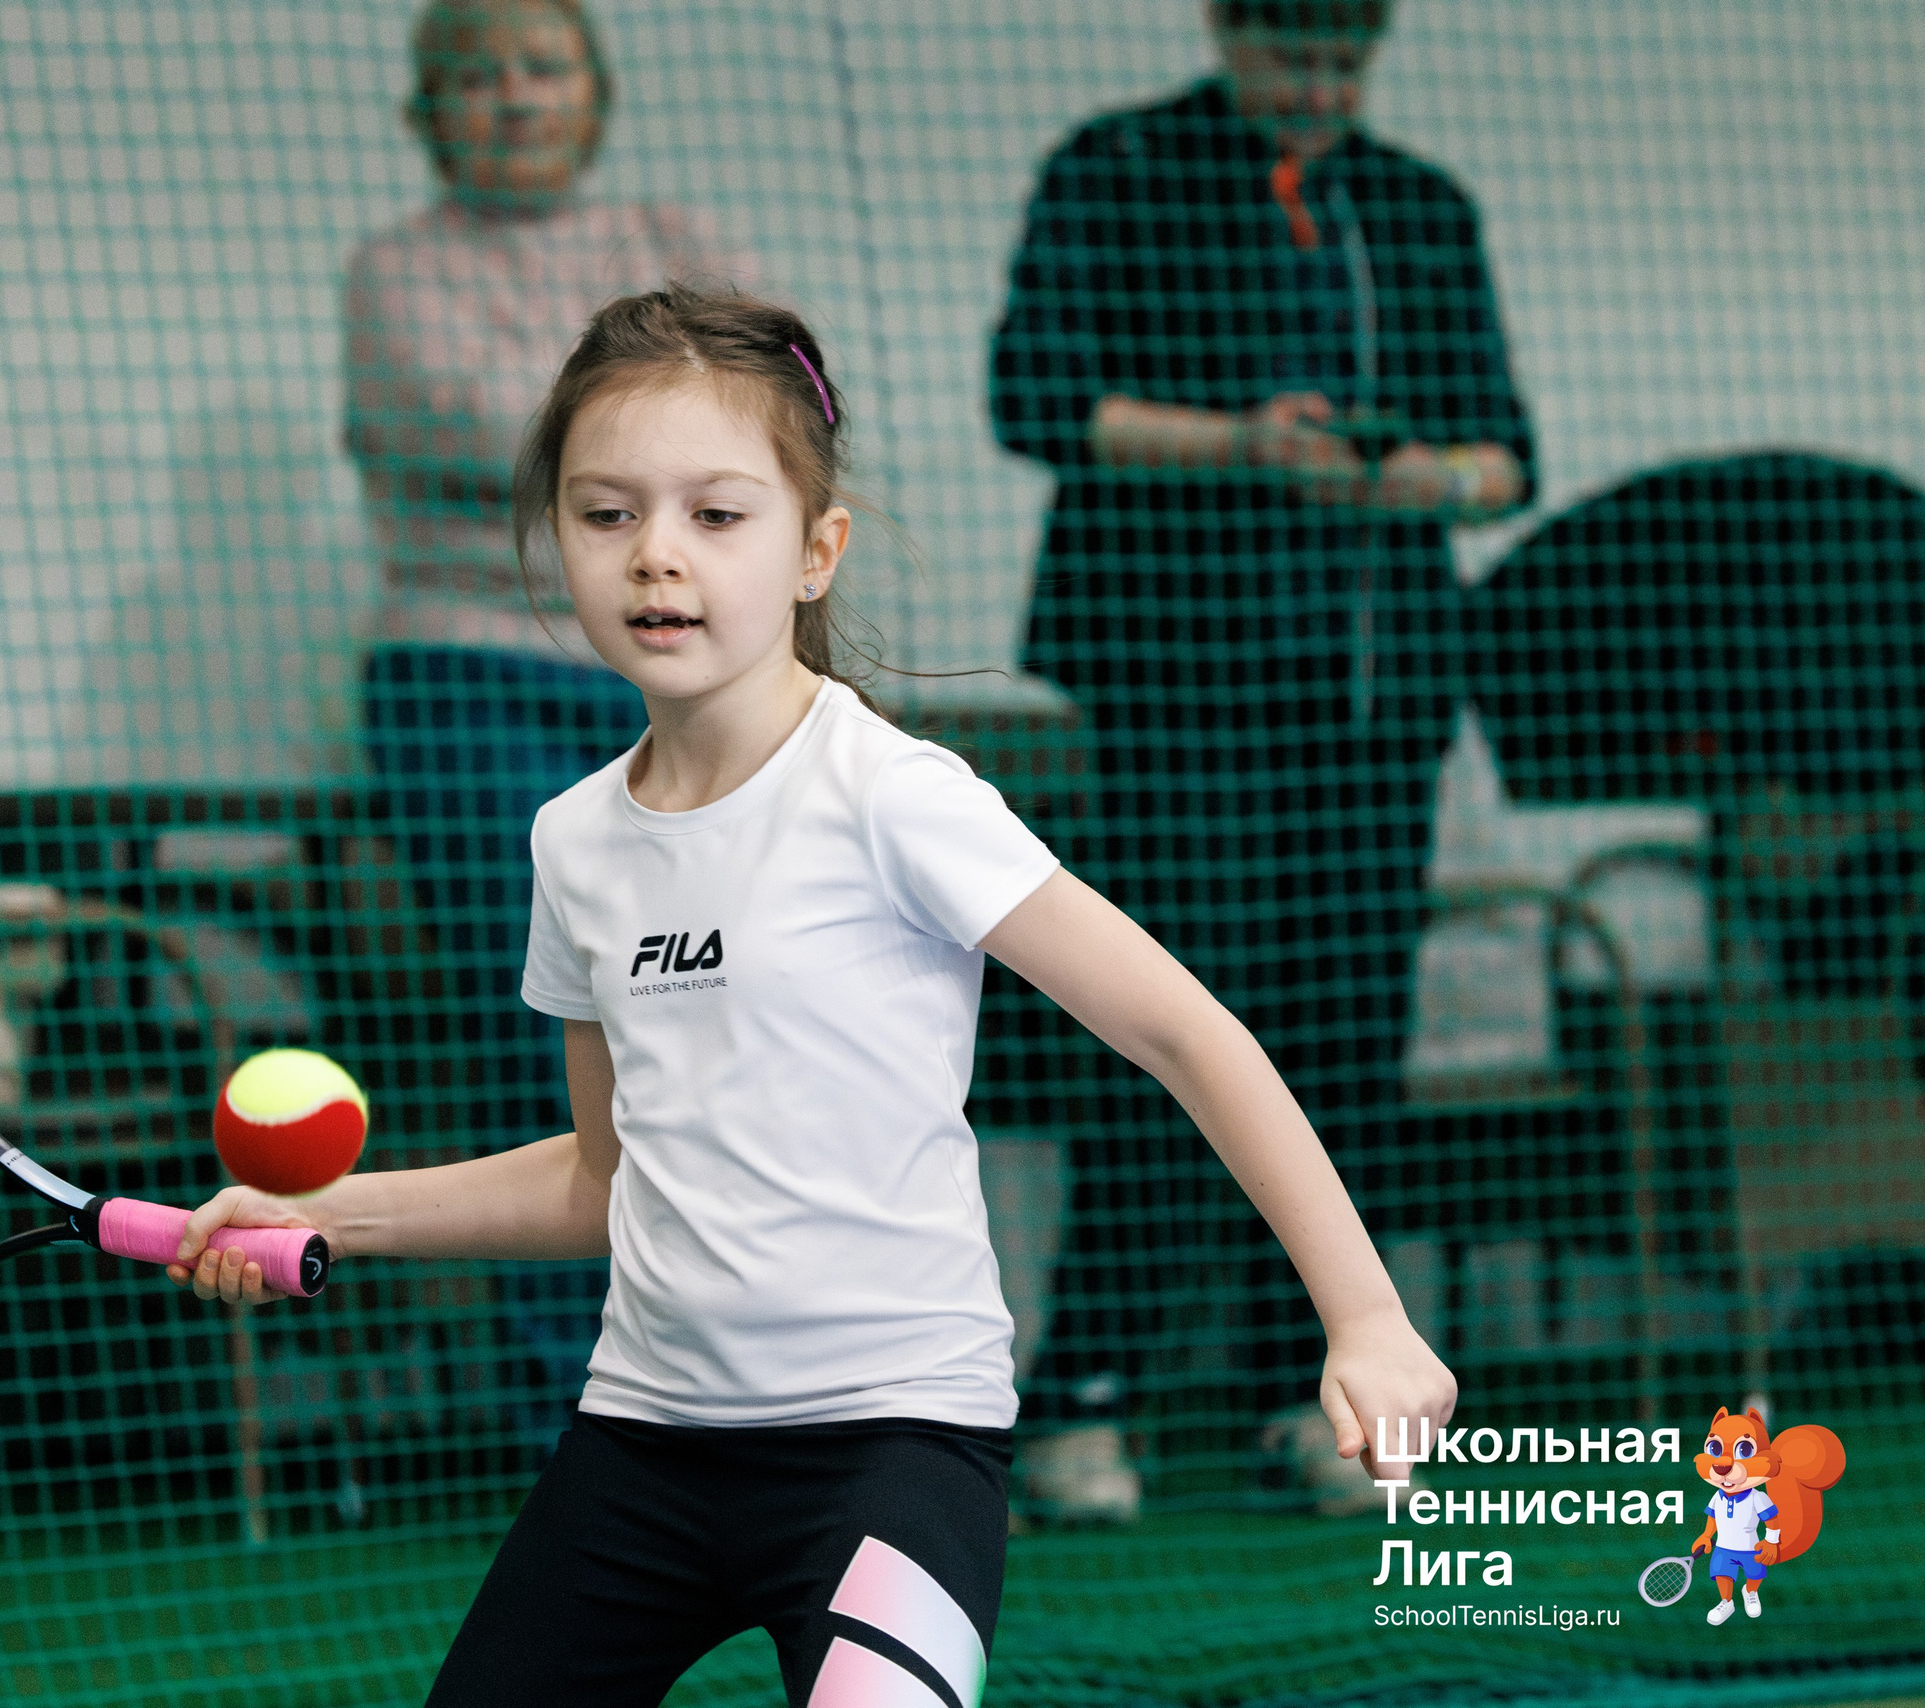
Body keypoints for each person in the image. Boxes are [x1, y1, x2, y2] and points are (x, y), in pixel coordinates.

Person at [173, 285, 1455, 1703]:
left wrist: (1367, 1317)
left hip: (893, 1454)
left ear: (814, 550)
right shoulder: (574, 843)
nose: (657, 553)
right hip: (641, 1450)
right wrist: (330, 1212)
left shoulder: (893, 796)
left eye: (717, 514)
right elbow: (608, 1176)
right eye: (606, 514)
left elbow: (1188, 1033)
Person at [989, 0, 1535, 1516]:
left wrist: (1415, 475)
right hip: (1183, 688)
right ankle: (1085, 1397)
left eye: (1348, 64)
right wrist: (1240, 444)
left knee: (1346, 1031)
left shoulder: (1417, 204)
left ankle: (1322, 1399)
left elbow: (1507, 457)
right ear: (1231, 34)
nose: (1321, 89)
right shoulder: (1118, 170)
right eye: (1295, 57)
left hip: (1377, 694)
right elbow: (1038, 399)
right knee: (1175, 1024)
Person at [342, 0, 748, 1456]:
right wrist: (667, 423)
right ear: (428, 110)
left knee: (716, 1010)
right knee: (562, 1020)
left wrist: (633, 441)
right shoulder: (394, 272)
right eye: (478, 77)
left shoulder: (672, 232)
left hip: (670, 678)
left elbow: (776, 406)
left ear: (594, 93)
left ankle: (732, 1376)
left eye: (542, 68)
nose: (514, 98)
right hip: (468, 681)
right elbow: (471, 425)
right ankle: (576, 1408)